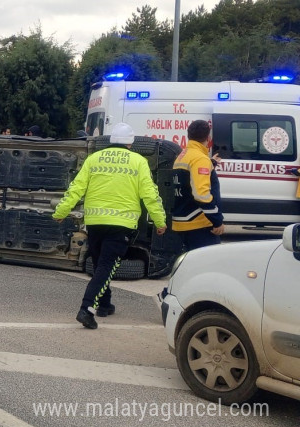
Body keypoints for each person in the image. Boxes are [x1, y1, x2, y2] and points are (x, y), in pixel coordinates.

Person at [53, 122, 167, 330]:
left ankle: (104, 304)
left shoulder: (93, 159)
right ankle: (87, 309)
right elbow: (150, 195)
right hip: (121, 225)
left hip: (95, 222)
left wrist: (61, 212)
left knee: (99, 264)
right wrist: (159, 221)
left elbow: (76, 188)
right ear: (130, 144)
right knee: (106, 266)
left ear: (111, 140)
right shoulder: (138, 161)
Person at [171, 120, 224, 250]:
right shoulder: (200, 159)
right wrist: (217, 220)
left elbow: (190, 178)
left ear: (188, 135)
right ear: (208, 138)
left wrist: (211, 163)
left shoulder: (183, 155)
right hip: (199, 225)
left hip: (183, 221)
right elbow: (201, 195)